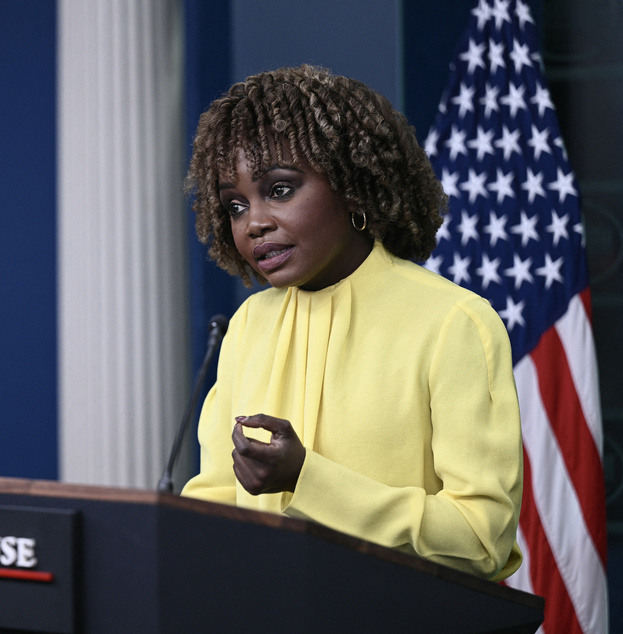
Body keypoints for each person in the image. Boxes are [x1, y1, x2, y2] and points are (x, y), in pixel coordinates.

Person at [179, 64, 522, 581]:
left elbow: (481, 540)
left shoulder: (453, 323)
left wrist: (307, 478)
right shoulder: (249, 324)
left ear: (353, 186)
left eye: (279, 189)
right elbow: (214, 501)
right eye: (235, 205)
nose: (254, 223)